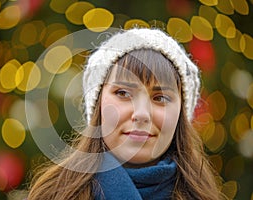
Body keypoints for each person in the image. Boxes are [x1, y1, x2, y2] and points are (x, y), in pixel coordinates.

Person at [28, 28, 226, 199]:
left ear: (180, 115)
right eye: (123, 93)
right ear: (98, 105)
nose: (141, 114)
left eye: (160, 98)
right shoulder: (53, 195)